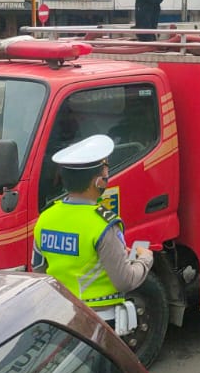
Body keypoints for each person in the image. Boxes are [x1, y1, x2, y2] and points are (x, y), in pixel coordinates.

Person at [32, 134, 152, 321]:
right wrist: (145, 259)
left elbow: (38, 268)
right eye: (104, 173)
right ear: (98, 181)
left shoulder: (45, 218)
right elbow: (125, 280)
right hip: (100, 319)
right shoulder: (104, 224)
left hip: (61, 313)